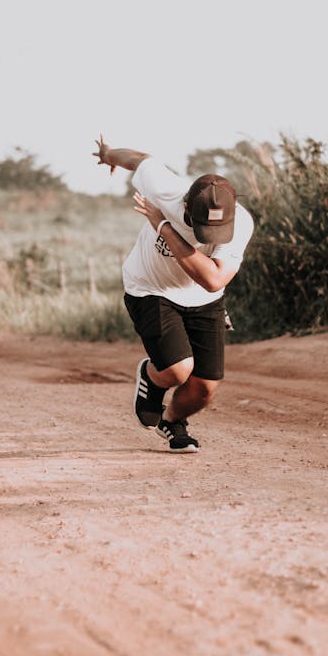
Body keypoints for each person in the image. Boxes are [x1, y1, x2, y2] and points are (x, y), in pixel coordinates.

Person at [93, 135, 254, 453]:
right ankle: (152, 377)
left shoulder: (242, 223)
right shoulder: (165, 189)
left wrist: (163, 227)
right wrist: (109, 155)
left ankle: (172, 421)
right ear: (185, 207)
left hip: (204, 297)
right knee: (178, 369)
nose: (210, 238)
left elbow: (213, 280)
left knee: (205, 389)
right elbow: (140, 158)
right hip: (149, 288)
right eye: (203, 229)